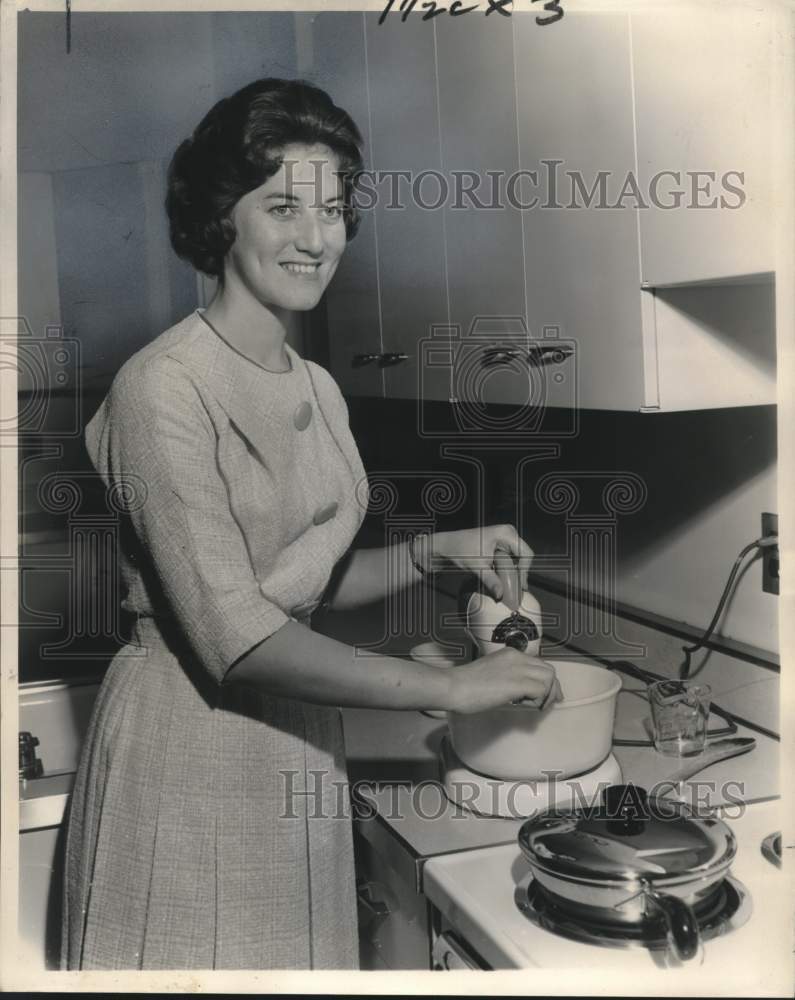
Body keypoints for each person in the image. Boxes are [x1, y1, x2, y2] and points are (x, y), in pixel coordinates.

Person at [61, 78, 559, 971]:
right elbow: (238, 635)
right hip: (188, 750)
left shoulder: (314, 383)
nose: (317, 237)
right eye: (283, 206)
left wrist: (426, 550)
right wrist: (455, 690)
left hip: (294, 743)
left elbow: (298, 580)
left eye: (332, 209)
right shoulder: (162, 388)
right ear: (223, 218)